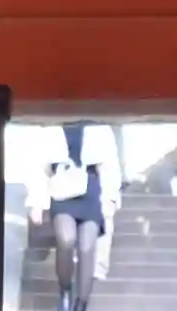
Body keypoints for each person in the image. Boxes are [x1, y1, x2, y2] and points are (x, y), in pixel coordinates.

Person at [25, 122, 121, 311]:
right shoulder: (51, 124)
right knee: (66, 239)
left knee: (87, 246)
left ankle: (81, 304)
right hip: (62, 185)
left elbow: (110, 165)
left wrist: (110, 197)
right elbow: (38, 166)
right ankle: (65, 291)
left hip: (91, 187)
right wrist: (36, 202)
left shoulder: (99, 125)